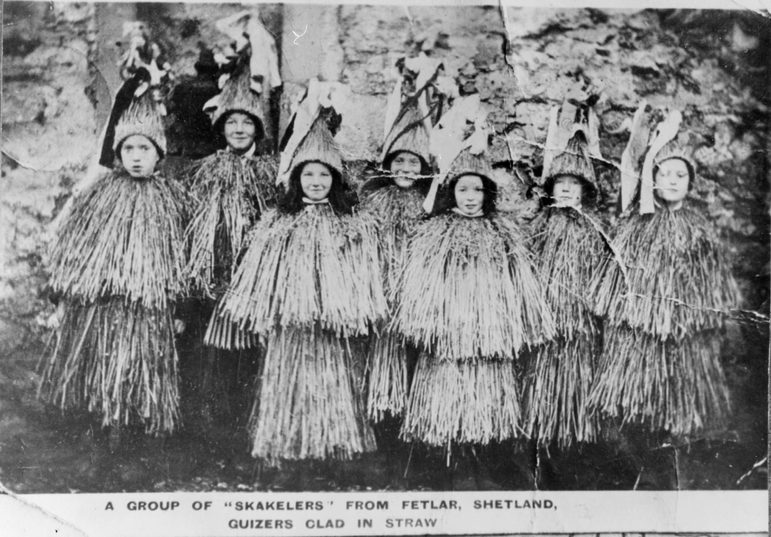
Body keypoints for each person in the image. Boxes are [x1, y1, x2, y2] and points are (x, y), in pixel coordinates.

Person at [206, 89, 387, 463]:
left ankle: (334, 451)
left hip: (332, 326)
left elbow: (363, 276)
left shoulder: (351, 224)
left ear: (335, 180)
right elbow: (259, 278)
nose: (316, 181)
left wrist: (348, 308)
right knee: (287, 388)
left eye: (324, 174)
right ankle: (286, 452)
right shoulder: (277, 223)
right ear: (297, 178)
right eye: (309, 173)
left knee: (332, 386)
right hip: (289, 328)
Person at [393, 123, 555, 478]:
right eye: (463, 189)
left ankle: (485, 462)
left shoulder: (504, 231)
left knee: (488, 407)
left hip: (489, 336)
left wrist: (508, 323)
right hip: (448, 334)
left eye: (476, 190)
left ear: (487, 194)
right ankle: (445, 467)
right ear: (453, 192)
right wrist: (432, 322)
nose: (469, 197)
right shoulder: (435, 230)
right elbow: (421, 285)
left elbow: (519, 285)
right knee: (444, 405)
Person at [38, 91, 189, 437]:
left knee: (140, 373)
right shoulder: (100, 195)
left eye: (145, 149)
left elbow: (182, 261)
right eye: (129, 149)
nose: (136, 158)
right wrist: (64, 292)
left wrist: (181, 308)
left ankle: (137, 440)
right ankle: (102, 438)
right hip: (104, 306)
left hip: (148, 310)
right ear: (119, 153)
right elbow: (76, 247)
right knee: (102, 369)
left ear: (159, 154)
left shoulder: (173, 201)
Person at [589, 111, 740, 437]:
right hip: (637, 332)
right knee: (638, 407)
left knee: (681, 399)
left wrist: (694, 314)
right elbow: (614, 283)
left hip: (685, 333)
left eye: (680, 176)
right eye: (665, 173)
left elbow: (714, 288)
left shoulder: (700, 228)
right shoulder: (635, 225)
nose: (672, 181)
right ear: (653, 178)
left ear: (690, 183)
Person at [182, 49, 279, 428]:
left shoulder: (270, 171)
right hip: (215, 275)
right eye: (232, 123)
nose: (239, 130)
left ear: (258, 128)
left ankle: (247, 425)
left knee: (250, 352)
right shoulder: (205, 171)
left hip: (253, 278)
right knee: (212, 352)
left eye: (247, 123)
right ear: (221, 128)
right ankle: (213, 426)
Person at [524, 131, 606, 449]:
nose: (568, 188)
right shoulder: (538, 225)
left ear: (585, 189)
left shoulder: (596, 229)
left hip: (581, 324)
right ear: (552, 188)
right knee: (540, 381)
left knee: (578, 383)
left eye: (575, 183)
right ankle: (538, 439)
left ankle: (578, 444)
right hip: (544, 323)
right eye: (561, 182)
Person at [360, 93, 434, 422]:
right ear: (389, 164)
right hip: (381, 296)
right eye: (399, 161)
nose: (405, 168)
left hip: (414, 299)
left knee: (413, 362)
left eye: (413, 162)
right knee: (376, 362)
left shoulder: (429, 207)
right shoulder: (373, 201)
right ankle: (380, 426)